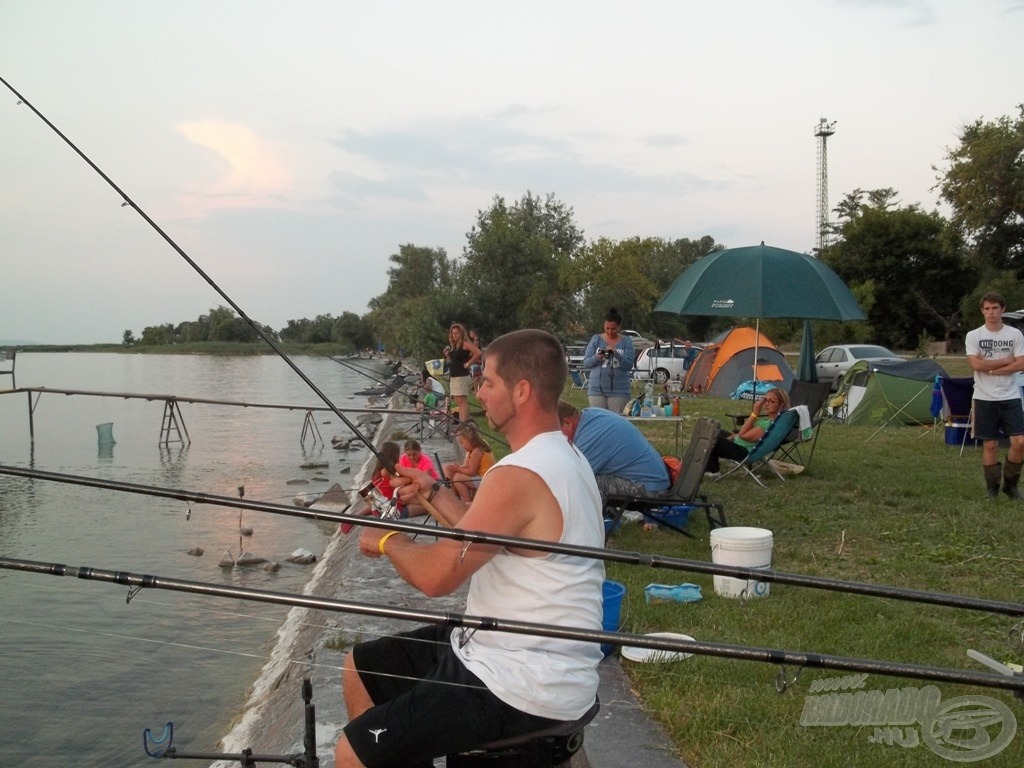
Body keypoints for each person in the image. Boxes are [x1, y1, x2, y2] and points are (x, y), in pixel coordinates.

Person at [335, 329, 604, 768]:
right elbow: (486, 533)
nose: (478, 393)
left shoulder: (519, 473)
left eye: (487, 382)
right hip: (505, 648)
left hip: (522, 681)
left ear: (521, 391)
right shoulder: (566, 457)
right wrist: (434, 490)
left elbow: (437, 576)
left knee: (351, 754)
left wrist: (386, 539)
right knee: (362, 666)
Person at [965, 292, 1024, 500]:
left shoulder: (1015, 335)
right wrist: (1006, 362)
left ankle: (1011, 485)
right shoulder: (974, 336)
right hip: (984, 397)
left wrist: (995, 369)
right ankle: (992, 489)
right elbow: (976, 364)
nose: (991, 313)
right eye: (987, 309)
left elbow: (1021, 362)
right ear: (982, 311)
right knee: (990, 444)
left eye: (995, 308)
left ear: (1003, 309)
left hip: (1010, 396)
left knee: (1019, 441)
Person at [557, 401, 669, 498]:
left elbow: (573, 479)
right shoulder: (589, 416)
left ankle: (590, 521)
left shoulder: (591, 437)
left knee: (587, 484)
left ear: (567, 423)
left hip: (651, 487)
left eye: (555, 432)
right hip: (653, 479)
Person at [706, 387, 790, 473]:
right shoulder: (772, 422)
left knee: (710, 438)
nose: (766, 404)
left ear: (781, 404)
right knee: (713, 431)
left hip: (744, 452)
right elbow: (746, 433)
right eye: (766, 400)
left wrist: (755, 413)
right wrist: (733, 436)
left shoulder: (768, 426)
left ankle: (712, 471)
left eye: (772, 401)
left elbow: (743, 435)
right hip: (740, 444)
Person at [341, 442, 402, 534]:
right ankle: (357, 516)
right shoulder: (391, 472)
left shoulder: (376, 472)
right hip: (390, 507)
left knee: (376, 501)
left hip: (376, 507)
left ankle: (357, 517)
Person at [583, 307, 635, 413]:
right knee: (599, 421)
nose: (610, 332)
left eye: (613, 329)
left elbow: (628, 366)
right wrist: (598, 356)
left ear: (619, 327)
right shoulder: (596, 339)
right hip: (597, 390)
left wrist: (617, 354)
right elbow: (586, 363)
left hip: (619, 391)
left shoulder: (627, 342)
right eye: (607, 328)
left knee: (616, 422)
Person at [443, 421, 496, 502]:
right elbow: (468, 466)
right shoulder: (475, 449)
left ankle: (468, 501)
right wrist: (456, 468)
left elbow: (472, 472)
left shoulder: (477, 451)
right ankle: (455, 497)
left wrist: (458, 469)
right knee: (452, 471)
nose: (462, 445)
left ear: (469, 440)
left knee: (458, 478)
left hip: (484, 480)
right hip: (481, 478)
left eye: (462, 442)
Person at [443, 323, 482, 423]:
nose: (454, 335)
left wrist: (468, 364)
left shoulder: (465, 344)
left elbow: (478, 352)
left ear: (461, 333)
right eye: (453, 333)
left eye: (457, 333)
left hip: (461, 375)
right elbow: (453, 361)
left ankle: (464, 424)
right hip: (454, 375)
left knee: (462, 402)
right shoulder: (455, 345)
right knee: (458, 401)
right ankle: (464, 423)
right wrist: (447, 355)